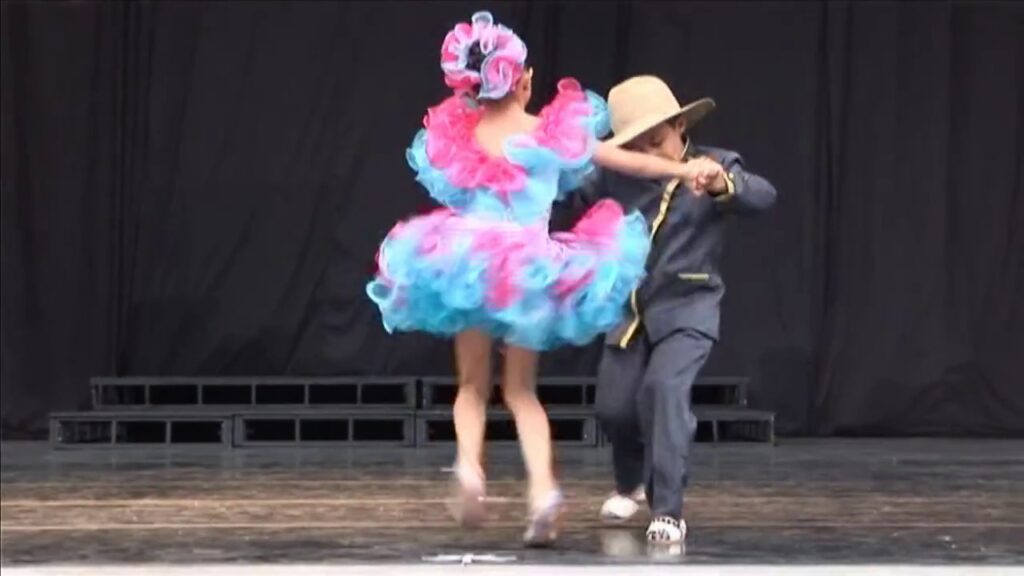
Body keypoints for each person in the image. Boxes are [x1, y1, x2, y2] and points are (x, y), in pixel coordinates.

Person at [365, 14, 717, 547]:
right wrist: (684, 169)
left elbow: (453, 187)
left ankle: (469, 468)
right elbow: (625, 161)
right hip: (529, 269)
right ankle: (543, 492)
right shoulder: (549, 135)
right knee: (522, 391)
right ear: (524, 80)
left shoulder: (462, 137)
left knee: (472, 386)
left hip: (469, 266)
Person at [570, 75, 777, 543]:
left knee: (663, 390)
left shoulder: (714, 164)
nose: (649, 153)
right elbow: (570, 193)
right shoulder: (618, 175)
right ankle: (629, 483)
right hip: (629, 311)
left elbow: (762, 195)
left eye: (656, 140)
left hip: (688, 308)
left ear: (679, 125)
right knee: (614, 408)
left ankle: (667, 508)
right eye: (636, 146)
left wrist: (723, 183)